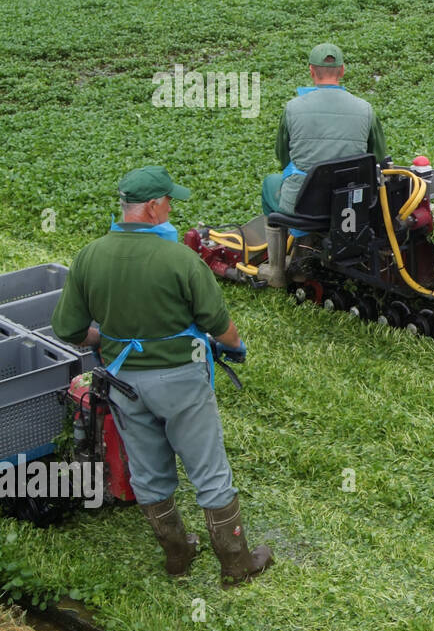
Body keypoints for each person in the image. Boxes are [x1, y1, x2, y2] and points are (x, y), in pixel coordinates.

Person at [52, 166, 273, 587]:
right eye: (169, 201)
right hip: (180, 382)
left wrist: (103, 336)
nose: (172, 207)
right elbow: (218, 323)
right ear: (154, 208)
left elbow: (68, 329)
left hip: (124, 383)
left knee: (149, 472)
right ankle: (235, 563)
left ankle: (177, 554)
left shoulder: (89, 256)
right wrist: (236, 348)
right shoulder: (181, 260)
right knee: (208, 469)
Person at [260, 42, 387, 217]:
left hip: (302, 204)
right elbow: (377, 156)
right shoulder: (365, 109)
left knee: (270, 184)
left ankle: (282, 243)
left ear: (311, 70)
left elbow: (283, 156)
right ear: (342, 70)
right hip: (350, 201)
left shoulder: (292, 108)